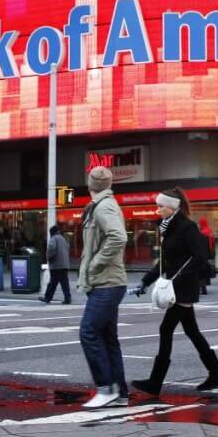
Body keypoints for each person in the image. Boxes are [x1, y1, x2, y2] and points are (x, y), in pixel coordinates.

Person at [130, 188, 218, 397]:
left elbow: (200, 257)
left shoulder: (186, 227)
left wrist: (178, 278)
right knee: (192, 331)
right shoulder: (168, 228)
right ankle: (217, 374)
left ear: (172, 207)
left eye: (161, 206)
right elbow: (165, 262)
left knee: (166, 329)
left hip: (183, 289)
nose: (158, 210)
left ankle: (155, 382)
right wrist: (145, 282)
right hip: (175, 287)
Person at [76, 166, 128, 409]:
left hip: (107, 282)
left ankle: (106, 388)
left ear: (90, 185)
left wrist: (95, 265)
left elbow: (118, 237)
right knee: (107, 338)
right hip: (108, 282)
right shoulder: (104, 204)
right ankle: (119, 393)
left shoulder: (104, 206)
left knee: (88, 331)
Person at [39, 225, 71, 305]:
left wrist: (48, 257)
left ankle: (47, 298)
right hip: (64, 264)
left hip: (56, 265)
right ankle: (67, 298)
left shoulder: (54, 239)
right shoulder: (63, 238)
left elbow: (52, 249)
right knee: (64, 283)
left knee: (52, 283)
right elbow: (68, 247)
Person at [198, 217, 215, 295]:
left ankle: (202, 287)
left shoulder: (203, 232)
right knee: (207, 267)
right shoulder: (210, 230)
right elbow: (212, 241)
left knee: (202, 270)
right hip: (209, 251)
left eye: (200, 223)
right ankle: (206, 283)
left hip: (204, 253)